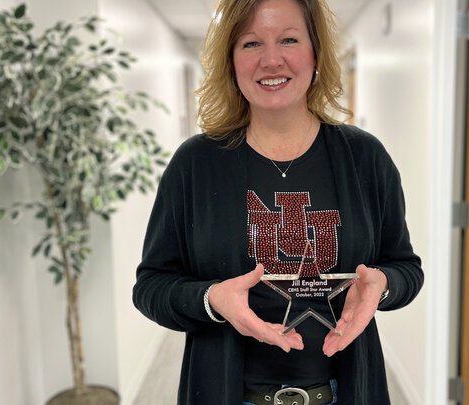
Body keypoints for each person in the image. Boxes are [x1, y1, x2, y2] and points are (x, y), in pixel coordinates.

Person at [133, 0, 424, 403]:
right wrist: (211, 299)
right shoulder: (195, 165)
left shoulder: (365, 159)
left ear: (316, 51)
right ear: (230, 60)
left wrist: (384, 285)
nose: (272, 60)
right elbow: (151, 286)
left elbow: (406, 269)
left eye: (289, 39)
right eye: (251, 44)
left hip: (343, 393)